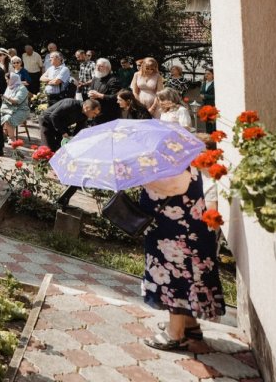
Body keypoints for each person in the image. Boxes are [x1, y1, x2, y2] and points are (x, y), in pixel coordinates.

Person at [140, 167, 226, 351]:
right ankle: (189, 325)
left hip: (175, 233)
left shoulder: (177, 162)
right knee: (187, 278)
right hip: (181, 231)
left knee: (176, 277)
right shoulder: (187, 159)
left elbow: (174, 186)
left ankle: (175, 333)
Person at [85, 58, 124, 124]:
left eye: (100, 66)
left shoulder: (113, 80)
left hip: (110, 114)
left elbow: (116, 97)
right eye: (97, 66)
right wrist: (90, 94)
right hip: (97, 114)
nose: (97, 68)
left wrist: (99, 95)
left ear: (108, 68)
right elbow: (91, 90)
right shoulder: (95, 78)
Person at [0, 71, 30, 143]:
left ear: (12, 79)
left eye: (7, 79)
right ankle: (4, 134)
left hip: (21, 110)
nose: (6, 81)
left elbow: (17, 101)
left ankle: (11, 138)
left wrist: (4, 96)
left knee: (8, 118)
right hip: (9, 109)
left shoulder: (22, 88)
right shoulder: (9, 87)